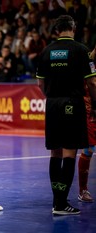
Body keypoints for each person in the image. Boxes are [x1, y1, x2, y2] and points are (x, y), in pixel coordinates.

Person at [36, 15, 96, 215]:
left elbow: (40, 84)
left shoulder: (46, 51)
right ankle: (61, 204)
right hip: (72, 103)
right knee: (70, 152)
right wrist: (95, 105)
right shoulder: (81, 51)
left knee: (55, 152)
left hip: (52, 104)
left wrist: (53, 97)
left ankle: (57, 201)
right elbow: (92, 83)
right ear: (73, 27)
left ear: (56, 30)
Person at [77, 45, 96, 203]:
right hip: (89, 110)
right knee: (89, 149)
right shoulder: (88, 60)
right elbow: (92, 84)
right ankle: (83, 190)